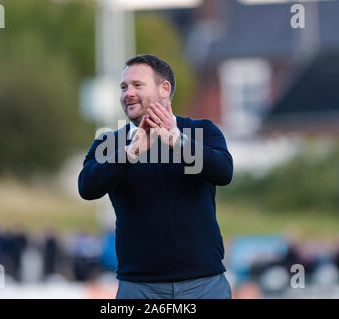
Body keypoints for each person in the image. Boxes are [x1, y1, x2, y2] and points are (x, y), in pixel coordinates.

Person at [78, 54, 233, 299]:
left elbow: (224, 172)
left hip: (203, 285)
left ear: (164, 88)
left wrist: (177, 141)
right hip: (139, 287)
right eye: (123, 87)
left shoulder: (200, 130)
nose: (127, 93)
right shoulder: (109, 142)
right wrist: (131, 153)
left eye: (137, 85)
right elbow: (87, 187)